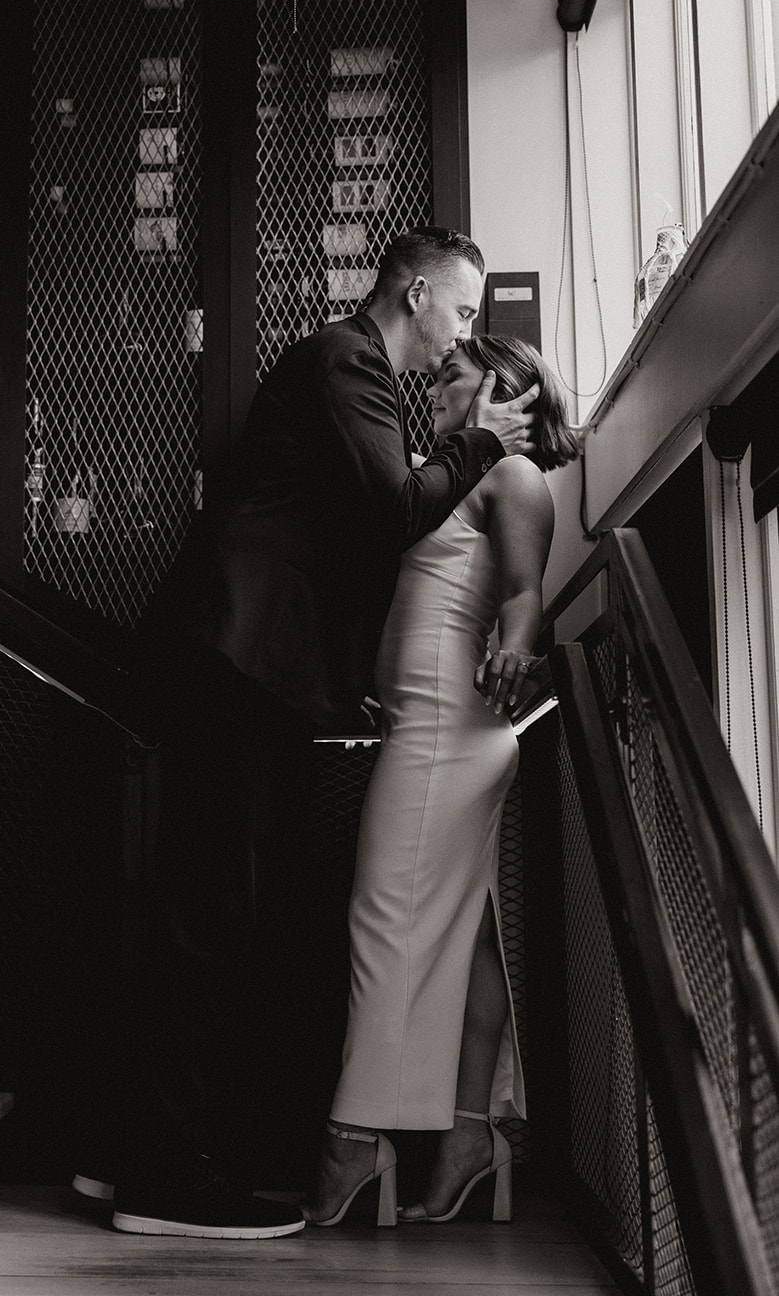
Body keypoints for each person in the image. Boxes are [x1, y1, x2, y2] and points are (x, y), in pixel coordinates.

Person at [108, 230, 540, 1240]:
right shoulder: (346, 356)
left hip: (264, 674)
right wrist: (481, 440)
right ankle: (163, 1180)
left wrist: (349, 692)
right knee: (214, 910)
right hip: (236, 661)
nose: (464, 334)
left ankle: (148, 1154)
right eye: (463, 311)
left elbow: (343, 541)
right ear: (418, 292)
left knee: (224, 908)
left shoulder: (366, 384)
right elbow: (388, 507)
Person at [302, 334, 579, 1229]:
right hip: (421, 725)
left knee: (381, 919)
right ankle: (468, 1134)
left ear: (501, 389)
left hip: (447, 733)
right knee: (470, 942)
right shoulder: (441, 474)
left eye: (450, 374)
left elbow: (526, 591)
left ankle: (354, 1137)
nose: (432, 384)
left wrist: (517, 637)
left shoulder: (515, 479)